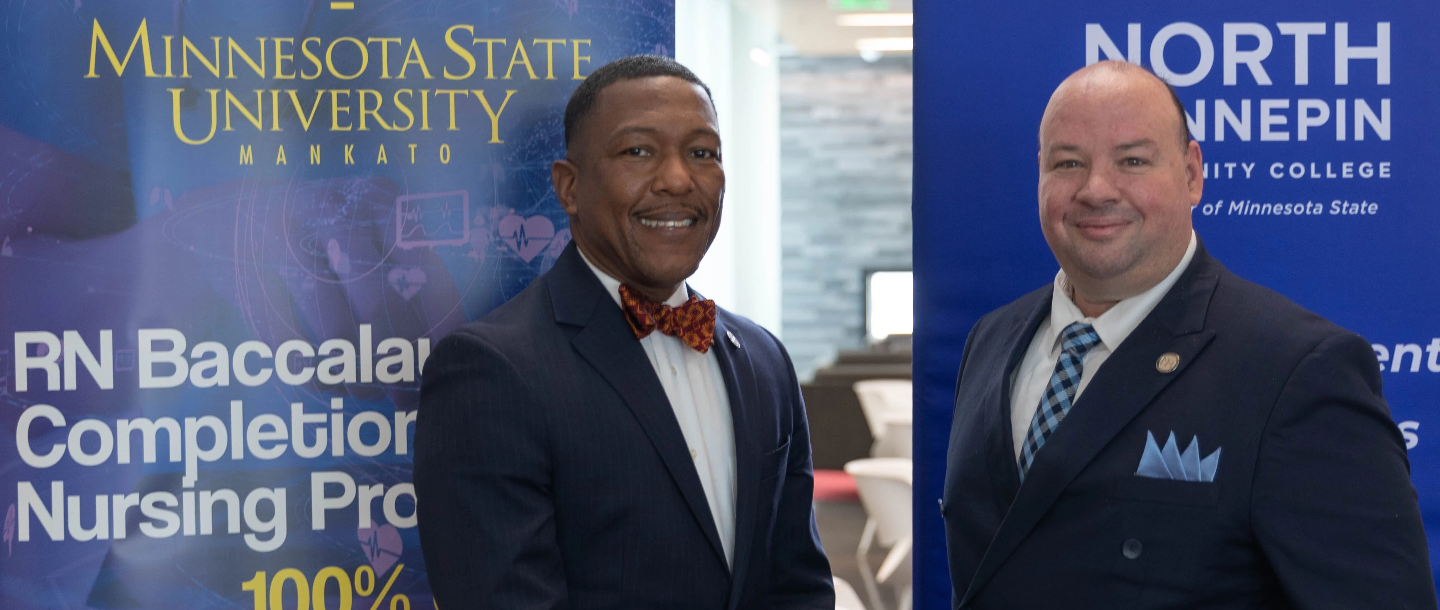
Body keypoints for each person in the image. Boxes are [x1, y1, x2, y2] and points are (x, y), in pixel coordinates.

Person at [941, 60, 1435, 608]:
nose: (1096, 188)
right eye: (1068, 162)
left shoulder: (1296, 370)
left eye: (1132, 160)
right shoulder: (989, 342)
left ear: (1192, 172)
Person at [414, 55, 834, 610]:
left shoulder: (763, 360)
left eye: (702, 153)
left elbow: (797, 586)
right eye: (638, 151)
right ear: (568, 188)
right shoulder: (492, 371)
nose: (679, 179)